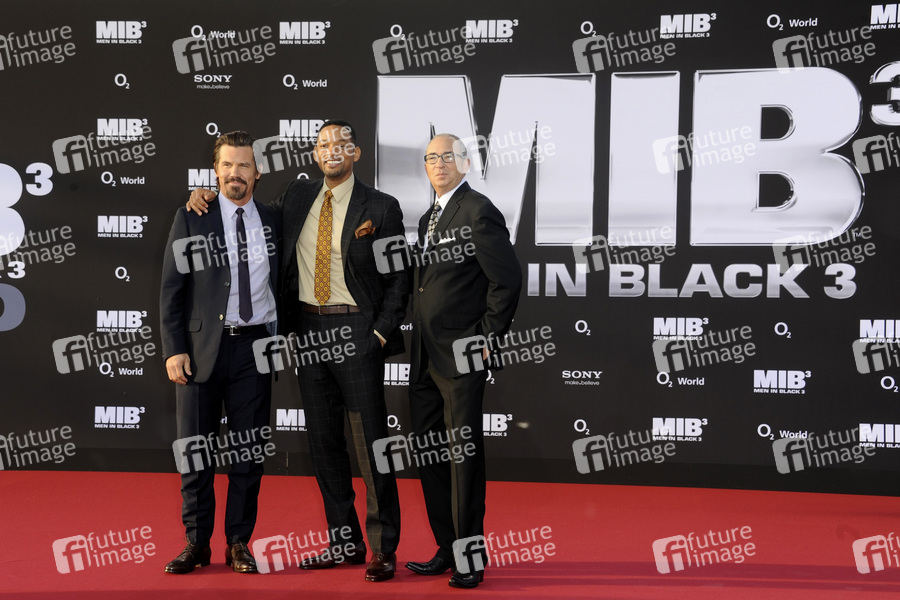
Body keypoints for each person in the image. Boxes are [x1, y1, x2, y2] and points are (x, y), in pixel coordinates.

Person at [187, 120, 407, 582]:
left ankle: (383, 546)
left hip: (357, 330)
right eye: (323, 144)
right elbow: (244, 206)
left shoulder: (381, 207)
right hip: (307, 332)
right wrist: (205, 196)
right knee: (324, 446)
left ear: (356, 153)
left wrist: (381, 334)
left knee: (371, 446)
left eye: (341, 144)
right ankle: (343, 541)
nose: (332, 150)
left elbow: (399, 277)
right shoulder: (297, 197)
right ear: (314, 154)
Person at [405, 133, 522, 589]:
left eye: (447, 156)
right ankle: (446, 547)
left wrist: (485, 340)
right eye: (431, 158)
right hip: (422, 357)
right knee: (431, 455)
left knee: (462, 459)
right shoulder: (427, 217)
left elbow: (506, 280)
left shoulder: (478, 210)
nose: (439, 164)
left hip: (460, 358)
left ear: (466, 163)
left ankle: (470, 557)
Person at [160, 131, 280, 574]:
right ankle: (196, 543)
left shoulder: (274, 219)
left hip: (255, 348)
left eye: (243, 165)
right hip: (200, 350)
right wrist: (174, 348)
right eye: (227, 165)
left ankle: (238, 543)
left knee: (248, 454)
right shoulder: (192, 216)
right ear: (215, 171)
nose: (235, 173)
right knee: (196, 453)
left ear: (257, 172)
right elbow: (171, 289)